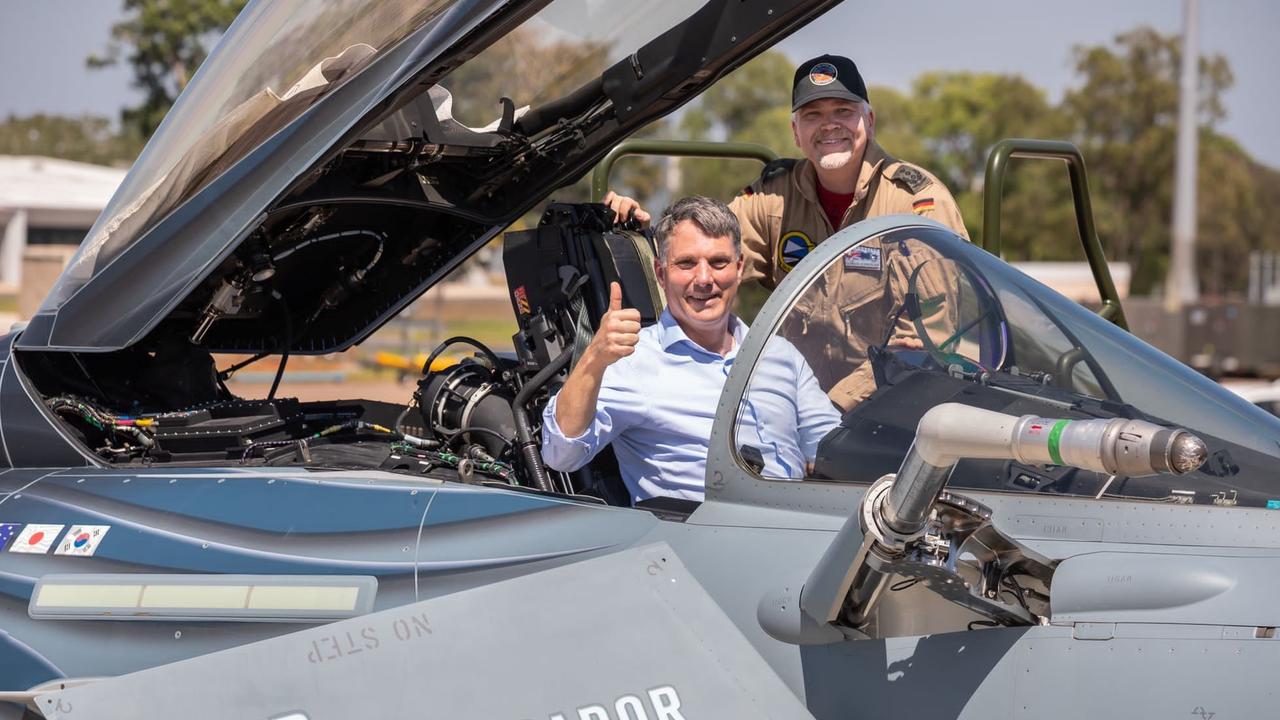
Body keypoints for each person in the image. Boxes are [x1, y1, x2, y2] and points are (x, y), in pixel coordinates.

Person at [603, 54, 964, 410]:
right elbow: (706, 250)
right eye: (813, 115)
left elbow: (927, 341)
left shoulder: (917, 206)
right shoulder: (774, 196)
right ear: (796, 132)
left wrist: (824, 413)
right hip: (797, 404)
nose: (829, 125)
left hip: (896, 407)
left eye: (843, 111)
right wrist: (647, 235)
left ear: (868, 120)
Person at [540, 196, 840, 503]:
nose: (704, 279)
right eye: (686, 263)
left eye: (718, 262)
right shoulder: (632, 360)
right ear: (660, 274)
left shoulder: (778, 354)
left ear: (739, 269)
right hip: (701, 541)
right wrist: (594, 357)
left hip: (803, 536)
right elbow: (560, 453)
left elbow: (835, 452)